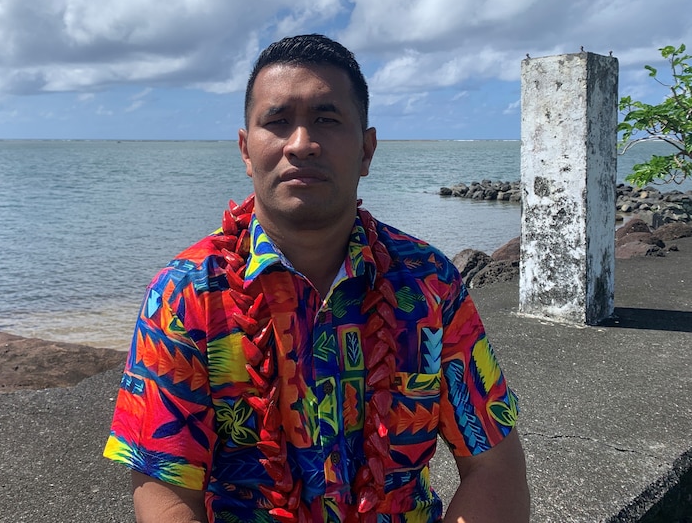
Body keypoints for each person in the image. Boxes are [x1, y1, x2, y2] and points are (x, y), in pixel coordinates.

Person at [104, 34, 530, 523]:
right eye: (277, 122)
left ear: (367, 150)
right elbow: (165, 490)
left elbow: (492, 461)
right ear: (246, 150)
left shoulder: (429, 283)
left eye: (327, 120)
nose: (302, 143)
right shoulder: (186, 295)